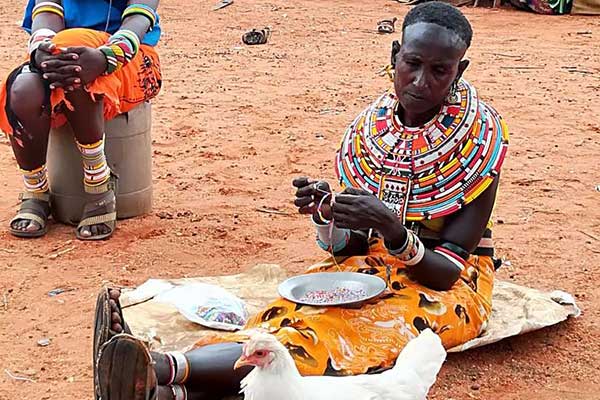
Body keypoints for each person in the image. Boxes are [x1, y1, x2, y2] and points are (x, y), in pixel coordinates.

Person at [93, 2, 509, 399]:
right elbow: (351, 249)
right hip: (374, 270)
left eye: (440, 71)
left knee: (333, 336)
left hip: (449, 290)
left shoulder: (478, 143)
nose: (421, 81)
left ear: (460, 71)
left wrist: (390, 227)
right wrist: (326, 214)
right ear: (395, 54)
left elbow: (444, 274)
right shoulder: (374, 133)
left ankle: (161, 368)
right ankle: (167, 391)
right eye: (413, 64)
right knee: (283, 319)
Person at [0, 0, 162, 240]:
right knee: (22, 90)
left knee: (75, 64)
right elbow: (46, 12)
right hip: (61, 56)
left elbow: (139, 18)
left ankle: (99, 184)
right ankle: (35, 191)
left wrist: (107, 57)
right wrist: (41, 51)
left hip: (128, 55)